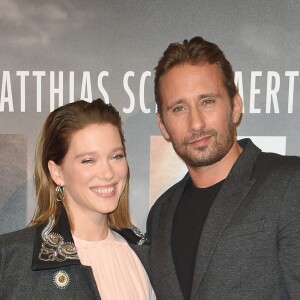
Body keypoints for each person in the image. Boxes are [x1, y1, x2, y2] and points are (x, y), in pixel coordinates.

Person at [146, 36, 300, 299]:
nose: (196, 123)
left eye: (207, 101)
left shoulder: (289, 184)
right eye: (179, 108)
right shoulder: (159, 213)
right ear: (163, 125)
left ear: (235, 107)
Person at [0, 98, 156, 299]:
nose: (108, 173)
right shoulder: (12, 258)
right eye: (89, 160)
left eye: (116, 156)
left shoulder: (145, 255)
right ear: (57, 173)